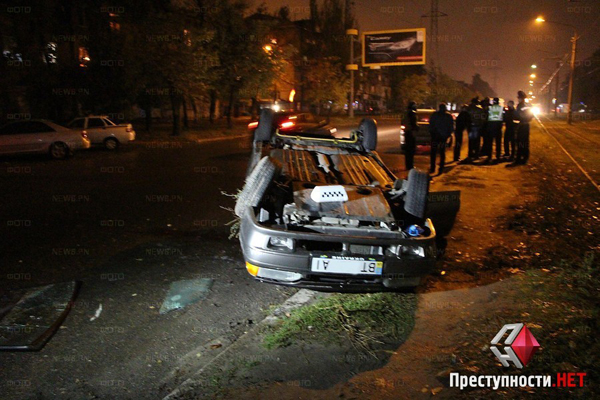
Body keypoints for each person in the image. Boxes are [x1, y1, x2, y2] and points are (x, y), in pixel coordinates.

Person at [508, 91, 533, 167]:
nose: (518, 99)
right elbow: (531, 116)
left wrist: (512, 111)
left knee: (519, 142)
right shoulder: (529, 105)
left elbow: (517, 116)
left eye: (518, 98)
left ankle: (519, 158)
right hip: (526, 125)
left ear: (520, 98)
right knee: (525, 142)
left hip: (521, 126)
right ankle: (525, 158)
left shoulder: (520, 106)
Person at [429, 102, 454, 175]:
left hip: (435, 137)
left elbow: (431, 126)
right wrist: (448, 135)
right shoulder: (448, 116)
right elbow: (451, 128)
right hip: (443, 137)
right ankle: (441, 168)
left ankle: (433, 168)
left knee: (433, 152)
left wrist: (432, 133)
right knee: (442, 153)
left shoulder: (434, 115)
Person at [464, 97, 486, 163]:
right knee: (477, 141)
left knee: (471, 141)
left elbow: (465, 118)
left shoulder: (468, 109)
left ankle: (470, 154)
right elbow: (483, 119)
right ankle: (476, 155)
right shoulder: (480, 110)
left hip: (470, 127)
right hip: (477, 127)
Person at [484, 97, 504, 163]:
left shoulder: (490, 108)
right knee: (498, 143)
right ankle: (498, 156)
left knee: (490, 143)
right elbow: (503, 117)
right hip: (498, 127)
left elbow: (486, 117)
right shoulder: (501, 108)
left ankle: (489, 156)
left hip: (491, 127)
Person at [404, 101, 418, 171]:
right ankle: (410, 165)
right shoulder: (412, 113)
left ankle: (408, 165)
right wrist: (417, 128)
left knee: (407, 150)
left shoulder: (406, 113)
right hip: (411, 133)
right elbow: (413, 124)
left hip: (407, 132)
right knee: (411, 150)